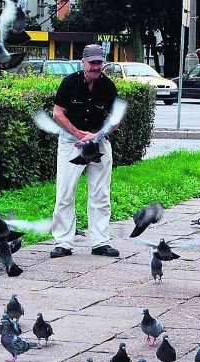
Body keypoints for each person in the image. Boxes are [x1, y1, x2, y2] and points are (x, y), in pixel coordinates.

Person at [50, 44, 120, 259]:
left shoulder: (108, 86)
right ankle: (63, 242)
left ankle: (100, 241)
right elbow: (57, 113)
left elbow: (115, 119)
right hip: (71, 143)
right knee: (65, 192)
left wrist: (96, 135)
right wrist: (78, 134)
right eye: (92, 63)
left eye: (100, 63)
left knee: (101, 194)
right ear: (83, 62)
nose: (96, 67)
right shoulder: (69, 83)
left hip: (98, 143)